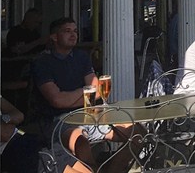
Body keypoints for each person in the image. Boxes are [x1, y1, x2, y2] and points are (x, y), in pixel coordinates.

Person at [31, 17, 138, 173]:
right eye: (67, 31)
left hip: (90, 114)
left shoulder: (81, 57)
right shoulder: (42, 62)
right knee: (81, 142)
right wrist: (84, 91)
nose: (73, 35)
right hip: (58, 121)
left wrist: (76, 95)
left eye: (75, 31)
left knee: (138, 132)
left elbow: (98, 91)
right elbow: (57, 100)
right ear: (54, 37)